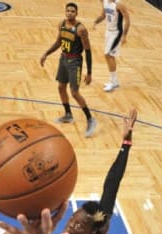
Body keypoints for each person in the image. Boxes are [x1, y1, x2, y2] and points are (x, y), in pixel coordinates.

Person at [40, 2, 97, 138]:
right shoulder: (62, 24)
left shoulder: (81, 29)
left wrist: (89, 73)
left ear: (76, 13)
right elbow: (58, 42)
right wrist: (46, 53)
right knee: (60, 87)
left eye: (72, 11)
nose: (70, 13)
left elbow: (88, 51)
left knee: (75, 93)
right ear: (65, 12)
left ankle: (90, 119)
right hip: (63, 59)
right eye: (68, 11)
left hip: (75, 62)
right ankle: (68, 114)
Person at [93, 0, 131, 92]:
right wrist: (96, 22)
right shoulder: (104, 1)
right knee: (108, 56)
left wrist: (124, 36)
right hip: (108, 32)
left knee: (108, 55)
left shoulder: (119, 4)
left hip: (116, 33)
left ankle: (113, 82)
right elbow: (103, 15)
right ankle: (114, 81)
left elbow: (127, 20)